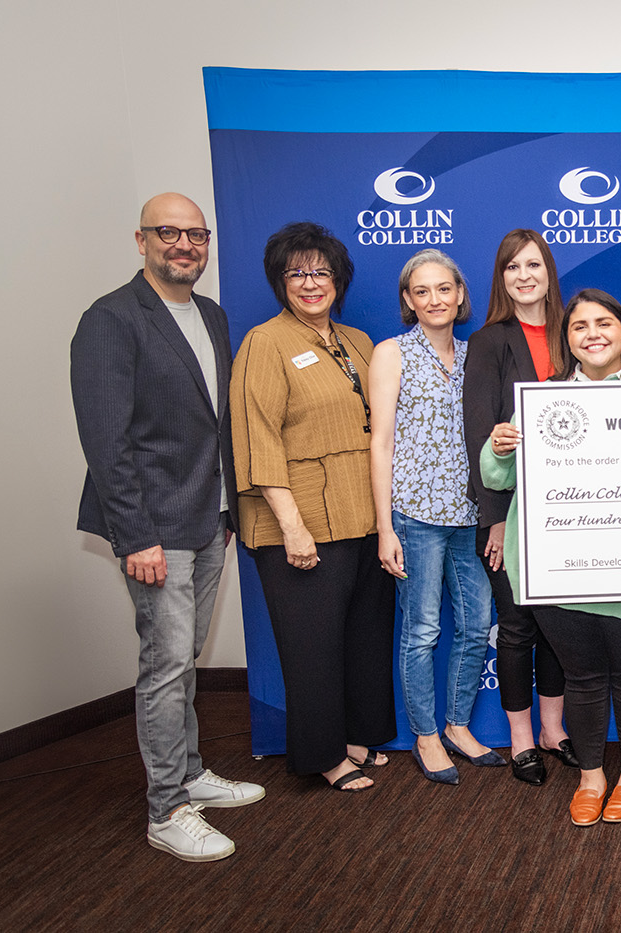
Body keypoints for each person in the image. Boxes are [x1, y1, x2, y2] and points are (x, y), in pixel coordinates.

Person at [71, 193, 264, 862]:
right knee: (166, 664)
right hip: (155, 526)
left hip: (208, 517)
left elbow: (215, 421)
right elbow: (106, 438)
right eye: (169, 233)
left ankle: (189, 772)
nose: (184, 245)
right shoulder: (112, 319)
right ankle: (166, 809)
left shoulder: (209, 315)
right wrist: (136, 536)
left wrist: (231, 510)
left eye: (195, 235)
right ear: (142, 239)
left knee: (182, 661)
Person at [482, 288, 621, 826]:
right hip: (558, 568)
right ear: (566, 339)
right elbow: (498, 479)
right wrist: (498, 447)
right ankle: (592, 775)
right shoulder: (542, 401)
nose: (592, 333)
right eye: (579, 326)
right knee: (584, 677)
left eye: (604, 322)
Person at [231, 221, 396, 793]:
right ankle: (322, 755)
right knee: (313, 647)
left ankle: (356, 736)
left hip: (361, 514)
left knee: (361, 638)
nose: (309, 283)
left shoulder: (357, 342)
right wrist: (292, 526)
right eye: (296, 273)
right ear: (280, 282)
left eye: (320, 271)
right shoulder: (264, 341)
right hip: (298, 523)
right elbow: (258, 436)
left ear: (338, 279)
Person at [368, 250, 499, 786]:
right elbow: (378, 444)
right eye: (422, 292)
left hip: (471, 514)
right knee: (421, 631)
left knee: (474, 626)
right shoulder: (391, 354)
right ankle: (425, 735)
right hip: (415, 517)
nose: (434, 300)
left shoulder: (477, 355)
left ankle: (458, 726)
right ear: (408, 301)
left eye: (444, 289)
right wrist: (384, 527)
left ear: (460, 294)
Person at [463, 230, 577, 785]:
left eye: (534, 264)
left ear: (549, 271)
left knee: (559, 626)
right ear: (501, 278)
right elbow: (478, 433)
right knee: (515, 627)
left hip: (571, 509)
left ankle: (555, 731)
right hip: (513, 511)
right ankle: (522, 740)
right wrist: (495, 517)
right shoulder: (489, 342)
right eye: (512, 267)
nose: (524, 275)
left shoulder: (575, 331)